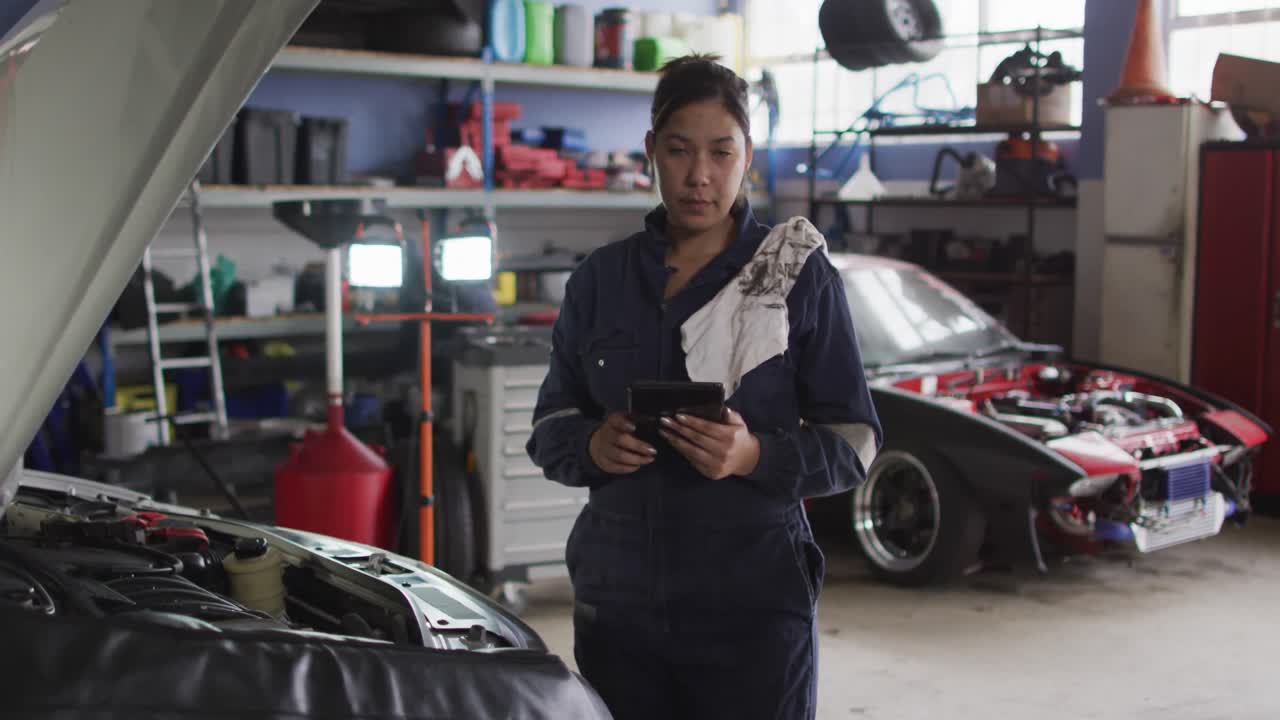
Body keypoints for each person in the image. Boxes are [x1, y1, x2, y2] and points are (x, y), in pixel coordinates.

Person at [526, 54, 882, 720]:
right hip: (618, 608)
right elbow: (549, 426)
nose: (699, 175)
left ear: (748, 156)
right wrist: (591, 446)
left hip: (750, 608)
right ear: (650, 153)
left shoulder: (791, 277)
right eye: (679, 150)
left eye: (721, 152)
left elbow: (855, 443)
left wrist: (755, 456)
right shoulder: (599, 281)